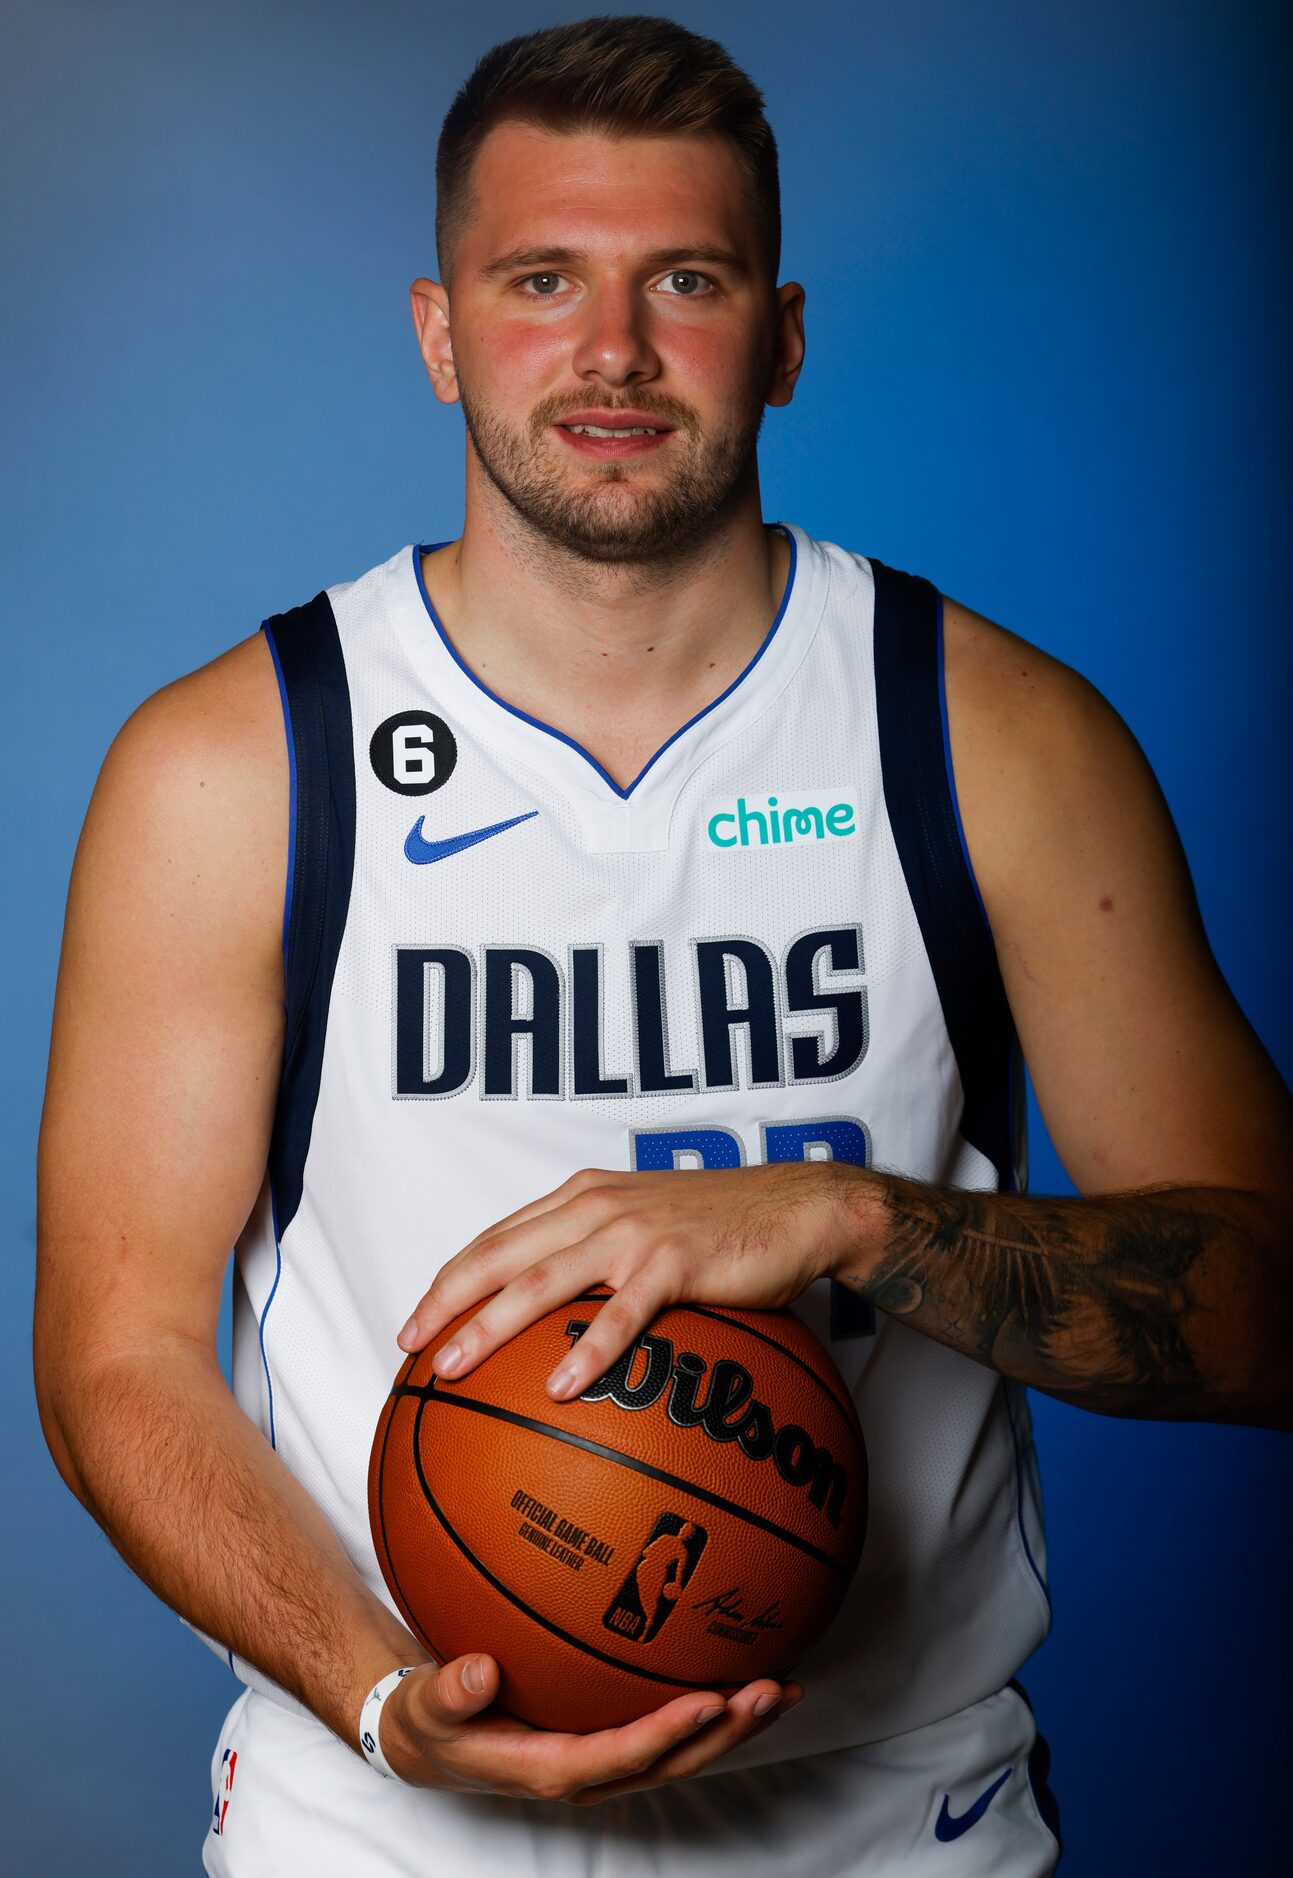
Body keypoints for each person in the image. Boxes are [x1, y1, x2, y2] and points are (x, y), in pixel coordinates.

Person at [33, 14, 1290, 1876]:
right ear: (438, 331)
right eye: (539, 280)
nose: (610, 351)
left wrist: (851, 1213)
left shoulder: (992, 741)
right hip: (380, 1814)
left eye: (680, 280)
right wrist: (385, 1696)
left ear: (780, 337)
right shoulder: (234, 767)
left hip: (887, 1813)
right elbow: (117, 1350)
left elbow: (1263, 1297)